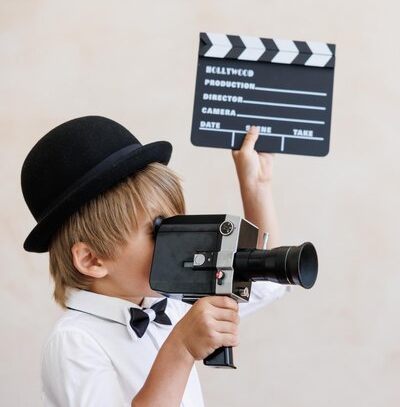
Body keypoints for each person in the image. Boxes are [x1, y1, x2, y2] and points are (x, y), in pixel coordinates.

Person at [20, 115, 285, 406]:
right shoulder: (75, 341)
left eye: (176, 223)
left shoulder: (172, 305)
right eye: (157, 229)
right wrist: (180, 349)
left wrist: (256, 187)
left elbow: (265, 284)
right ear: (92, 259)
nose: (178, 239)